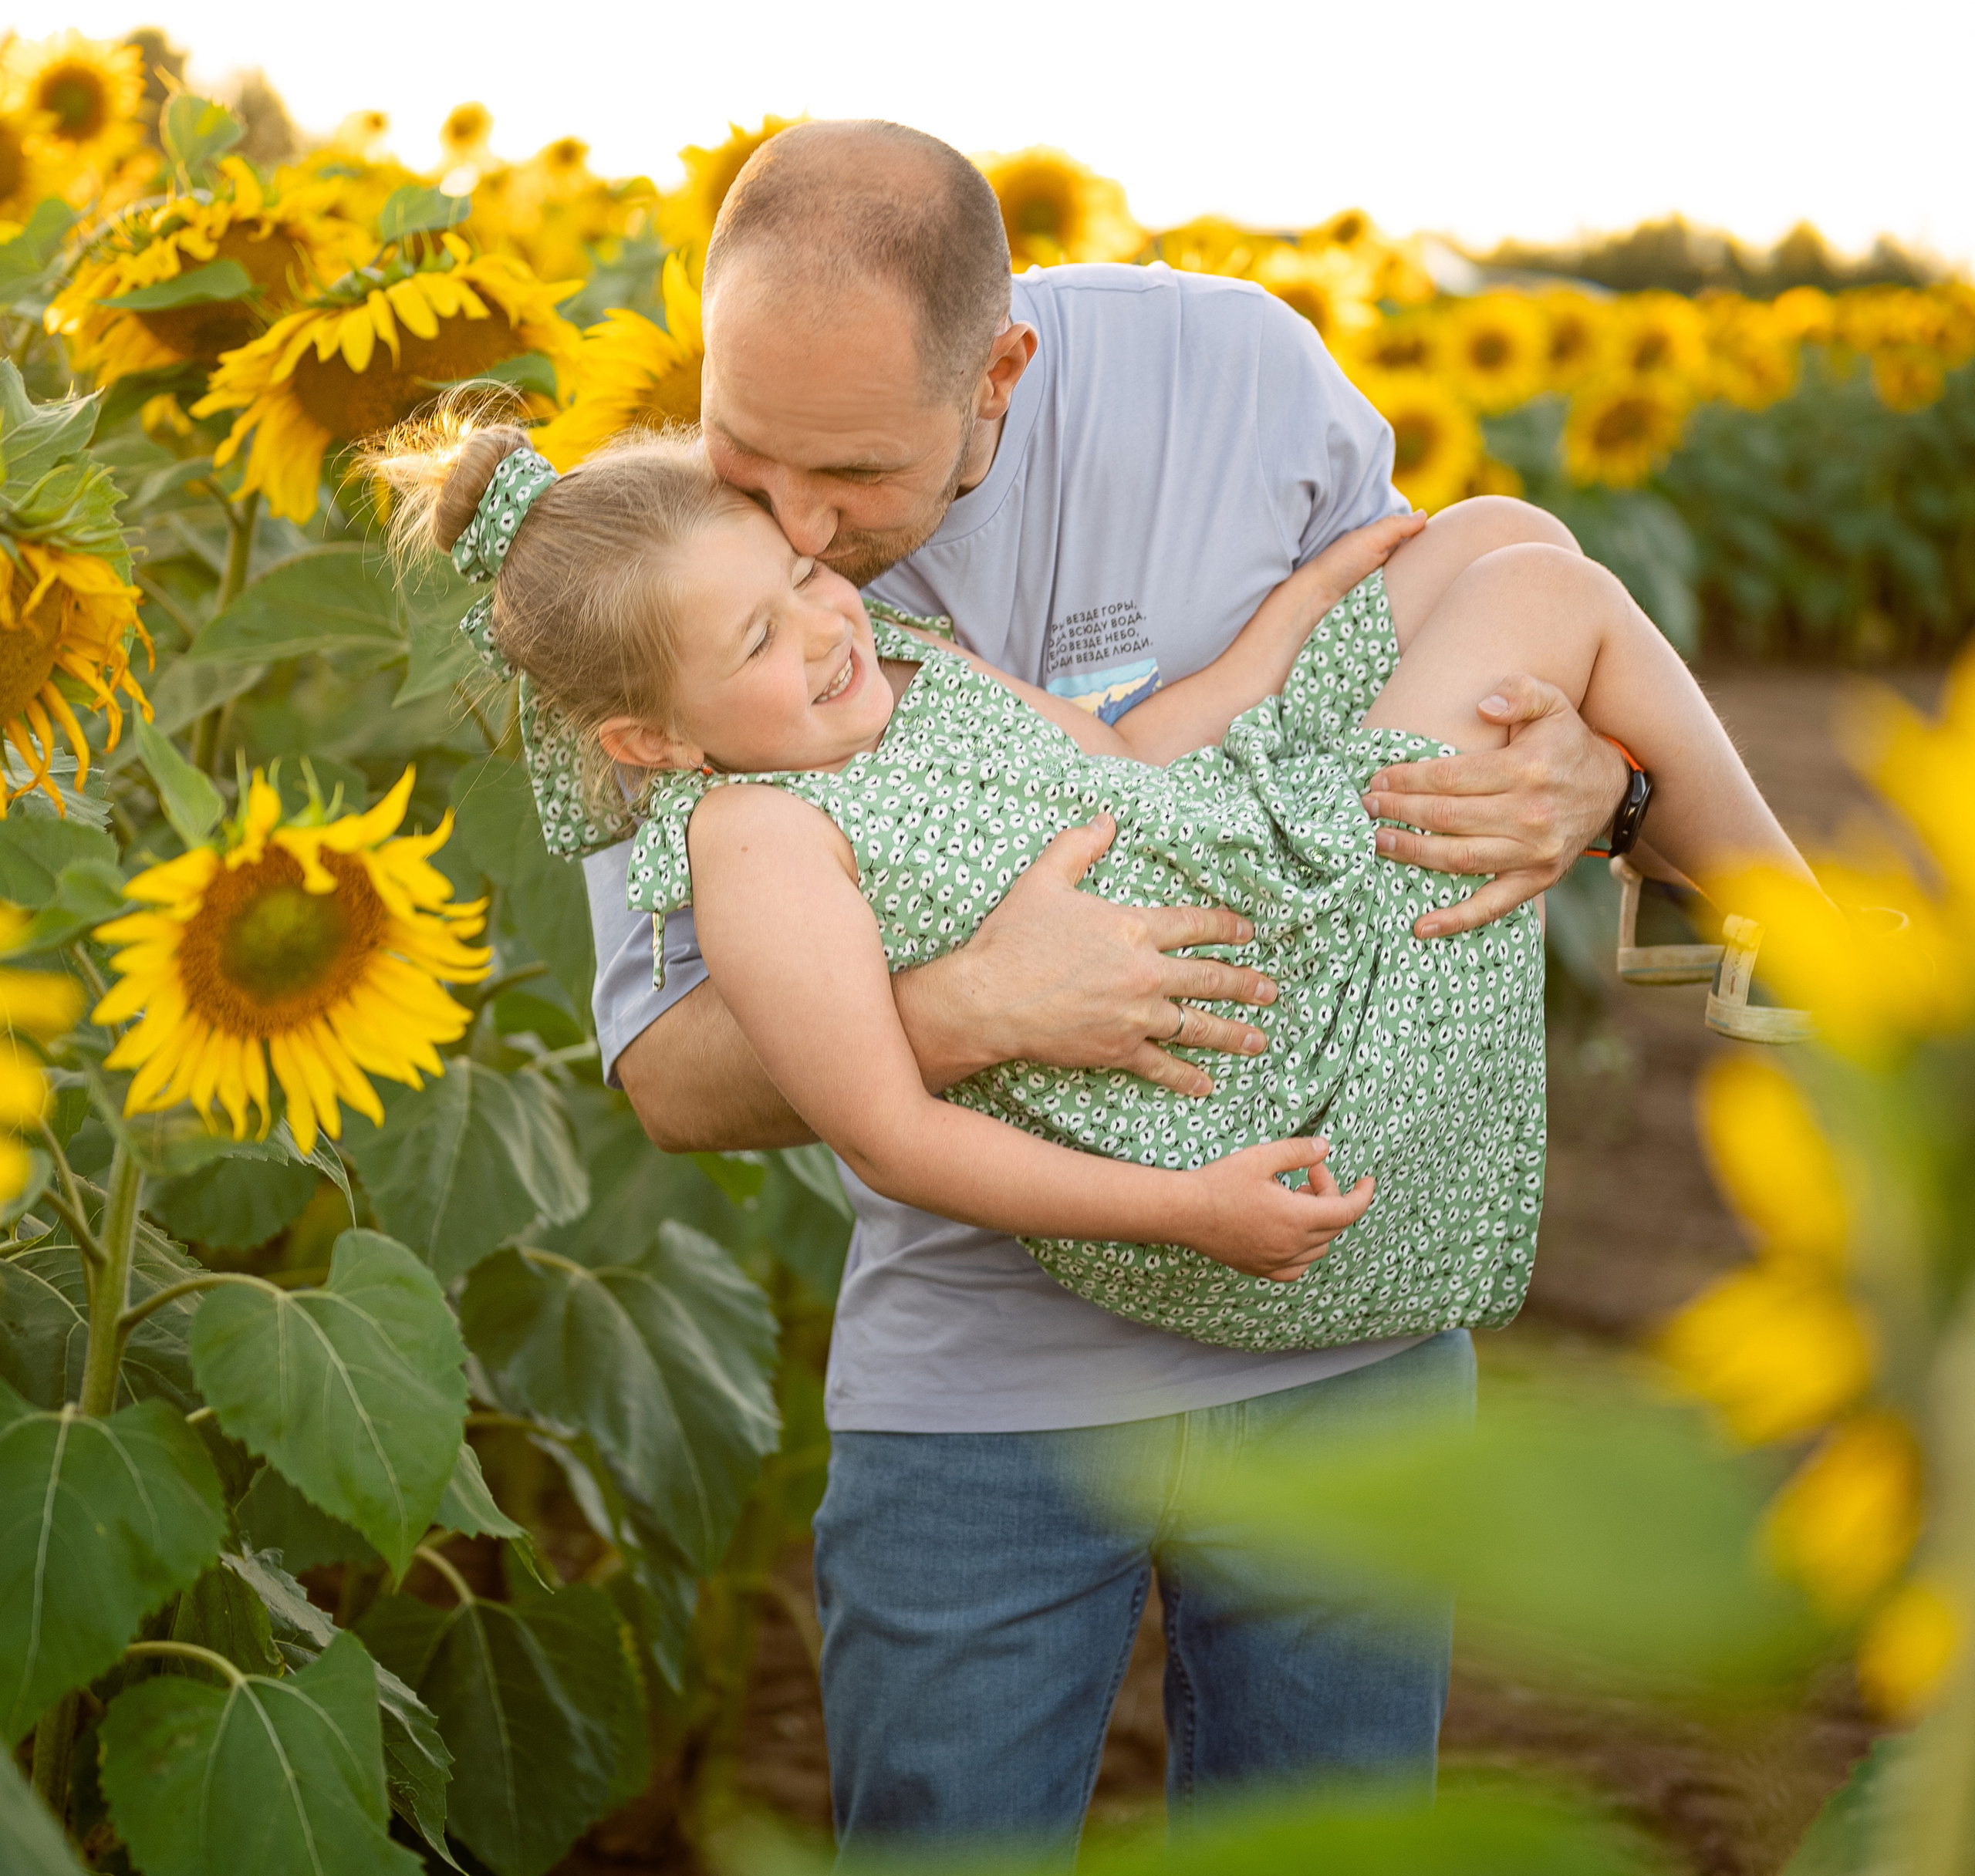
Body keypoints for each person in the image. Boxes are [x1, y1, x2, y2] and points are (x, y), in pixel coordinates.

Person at [452, 122, 1663, 1876]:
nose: (793, 533)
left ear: (999, 376)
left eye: (854, 474)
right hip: (975, 1384)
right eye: (744, 454)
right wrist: (965, 999)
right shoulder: (667, 566)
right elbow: (679, 1070)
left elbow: (1420, 693)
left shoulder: (1242, 382)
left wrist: (1603, 797)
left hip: (1335, 1342)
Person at [383, 427, 1818, 1372]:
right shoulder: (754, 836)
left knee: (1492, 527)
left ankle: (1724, 926)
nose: (826, 626)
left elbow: (1136, 753)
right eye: (759, 635)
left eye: (806, 572)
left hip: (1231, 861)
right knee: (1537, 598)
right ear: (653, 743)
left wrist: (1306, 603)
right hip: (1251, 1065)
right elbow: (886, 1132)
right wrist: (1186, 1209)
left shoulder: (898, 657)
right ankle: (1805, 939)